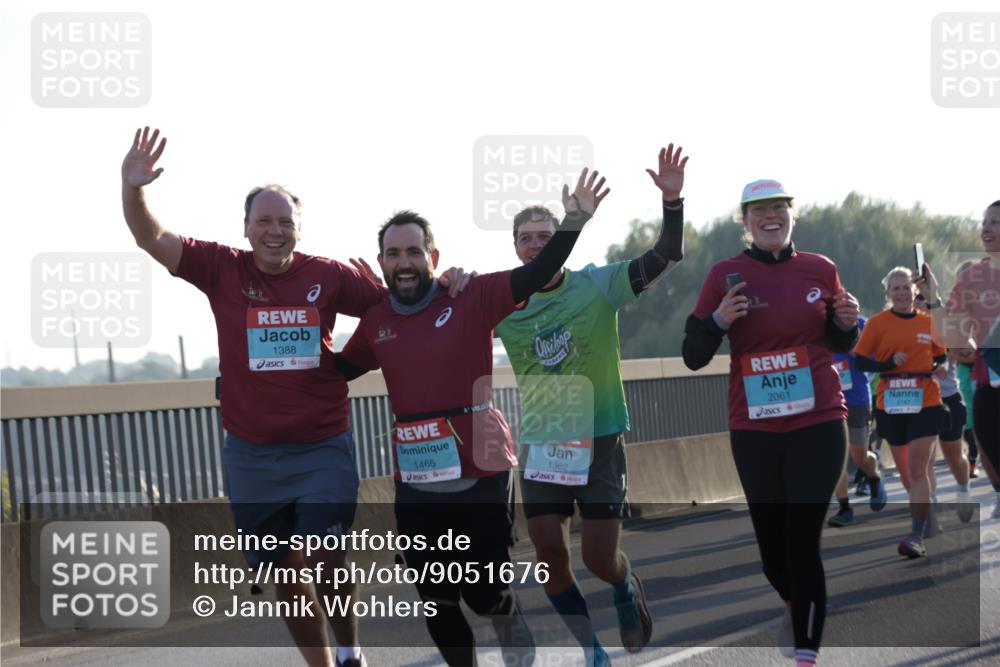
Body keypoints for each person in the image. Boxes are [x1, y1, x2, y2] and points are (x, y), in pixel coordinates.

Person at [120, 127, 472, 667]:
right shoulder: (220, 268)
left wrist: (448, 278)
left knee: (329, 555)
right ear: (246, 228)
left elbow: (403, 297)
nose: (275, 231)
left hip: (321, 445)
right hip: (251, 454)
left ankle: (352, 650)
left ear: (299, 228)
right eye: (264, 221)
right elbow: (151, 238)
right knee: (286, 572)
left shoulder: (328, 277)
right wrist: (133, 187)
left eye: (285, 222)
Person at [336, 169, 610, 667]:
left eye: (414, 252)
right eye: (394, 254)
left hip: (480, 470)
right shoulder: (376, 322)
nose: (405, 263)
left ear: (432, 258)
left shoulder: (471, 295)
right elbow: (334, 373)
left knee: (483, 593)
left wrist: (573, 222)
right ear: (381, 263)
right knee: (437, 599)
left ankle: (512, 628)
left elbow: (535, 272)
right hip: (416, 480)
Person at [495, 144, 687, 663]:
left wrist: (673, 201)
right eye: (526, 240)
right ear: (515, 249)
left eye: (545, 237)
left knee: (599, 559)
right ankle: (592, 649)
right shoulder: (504, 303)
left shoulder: (597, 285)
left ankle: (625, 588)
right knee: (551, 556)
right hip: (543, 443)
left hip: (600, 438)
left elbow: (667, 255)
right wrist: (452, 280)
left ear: (560, 240)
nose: (536, 247)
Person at [682, 180, 859, 667]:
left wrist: (847, 321)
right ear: (745, 220)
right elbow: (693, 355)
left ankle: (806, 653)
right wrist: (718, 321)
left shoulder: (820, 268)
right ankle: (792, 601)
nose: (771, 216)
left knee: (803, 540)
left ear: (792, 215)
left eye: (779, 207)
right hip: (755, 429)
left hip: (819, 420)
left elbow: (842, 342)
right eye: (760, 210)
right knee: (773, 554)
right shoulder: (725, 274)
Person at [853, 266, 948, 558]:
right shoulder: (878, 324)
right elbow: (860, 362)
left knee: (919, 467)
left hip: (926, 399)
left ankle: (916, 534)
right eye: (896, 288)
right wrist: (888, 365)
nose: (902, 293)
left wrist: (938, 366)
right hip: (891, 402)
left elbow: (942, 351)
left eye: (906, 287)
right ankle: (924, 510)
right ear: (887, 293)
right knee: (907, 471)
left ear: (915, 290)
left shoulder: (927, 320)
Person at [944, 201, 1000, 519]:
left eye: (995, 222)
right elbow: (954, 332)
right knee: (987, 440)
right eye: (984, 222)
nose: (986, 228)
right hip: (986, 379)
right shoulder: (972, 277)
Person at [914, 294, 975, 524]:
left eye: (924, 304)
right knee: (925, 459)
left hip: (948, 399)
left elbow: (968, 352)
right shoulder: (905, 330)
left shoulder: (946, 328)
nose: (920, 307)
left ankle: (963, 490)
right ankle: (931, 508)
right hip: (918, 402)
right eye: (916, 304)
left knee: (954, 456)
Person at [827, 315, 888, 527]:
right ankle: (845, 508)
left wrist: (853, 344)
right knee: (834, 458)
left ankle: (874, 476)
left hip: (857, 398)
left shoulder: (859, 323)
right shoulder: (813, 324)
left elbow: (876, 359)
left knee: (859, 456)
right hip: (828, 401)